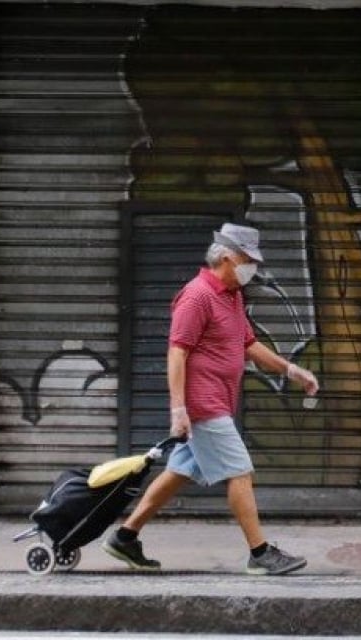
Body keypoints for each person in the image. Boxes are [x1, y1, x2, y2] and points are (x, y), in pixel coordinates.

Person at [103, 222, 319, 575]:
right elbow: (177, 353)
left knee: (179, 471)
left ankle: (125, 537)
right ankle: (260, 553)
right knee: (240, 471)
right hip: (204, 405)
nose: (254, 267)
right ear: (227, 257)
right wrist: (179, 409)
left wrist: (292, 371)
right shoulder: (197, 295)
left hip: (218, 400)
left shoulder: (231, 295)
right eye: (248, 260)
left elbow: (248, 345)